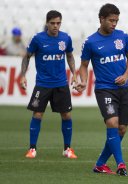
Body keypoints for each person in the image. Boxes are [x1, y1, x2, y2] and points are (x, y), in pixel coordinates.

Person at [75, 3, 128, 176]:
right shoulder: (91, 41)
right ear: (101, 19)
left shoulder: (123, 37)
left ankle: (100, 164)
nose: (114, 24)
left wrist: (126, 75)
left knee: (122, 129)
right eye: (111, 20)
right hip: (104, 89)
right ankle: (121, 164)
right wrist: (84, 81)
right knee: (112, 123)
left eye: (116, 20)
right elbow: (84, 65)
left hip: (123, 88)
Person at [20, 10, 78, 159]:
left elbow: (70, 56)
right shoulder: (38, 39)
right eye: (52, 23)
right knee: (38, 114)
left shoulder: (65, 38)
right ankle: (32, 148)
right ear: (47, 23)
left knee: (66, 115)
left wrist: (74, 73)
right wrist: (23, 75)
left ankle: (67, 149)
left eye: (58, 23)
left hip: (61, 84)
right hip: (43, 84)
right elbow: (27, 57)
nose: (55, 26)